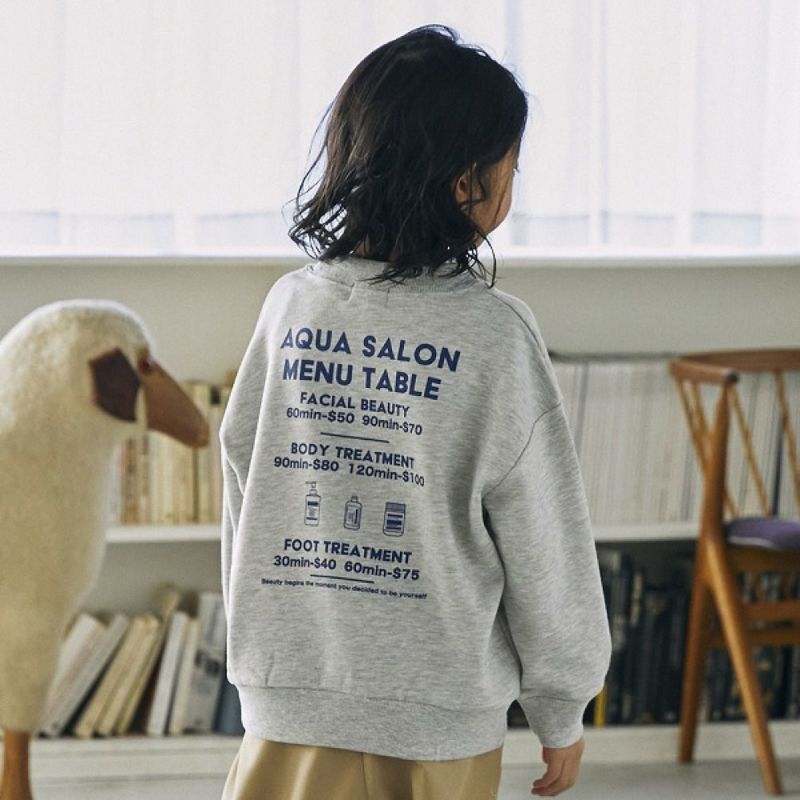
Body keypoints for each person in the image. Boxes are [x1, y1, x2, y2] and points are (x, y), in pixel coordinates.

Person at [219, 23, 612, 800]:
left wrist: (259, 655)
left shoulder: (290, 307)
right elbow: (543, 537)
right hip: (439, 724)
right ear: (467, 183)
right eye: (510, 167)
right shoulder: (496, 334)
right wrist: (562, 706)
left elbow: (243, 490)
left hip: (289, 708)